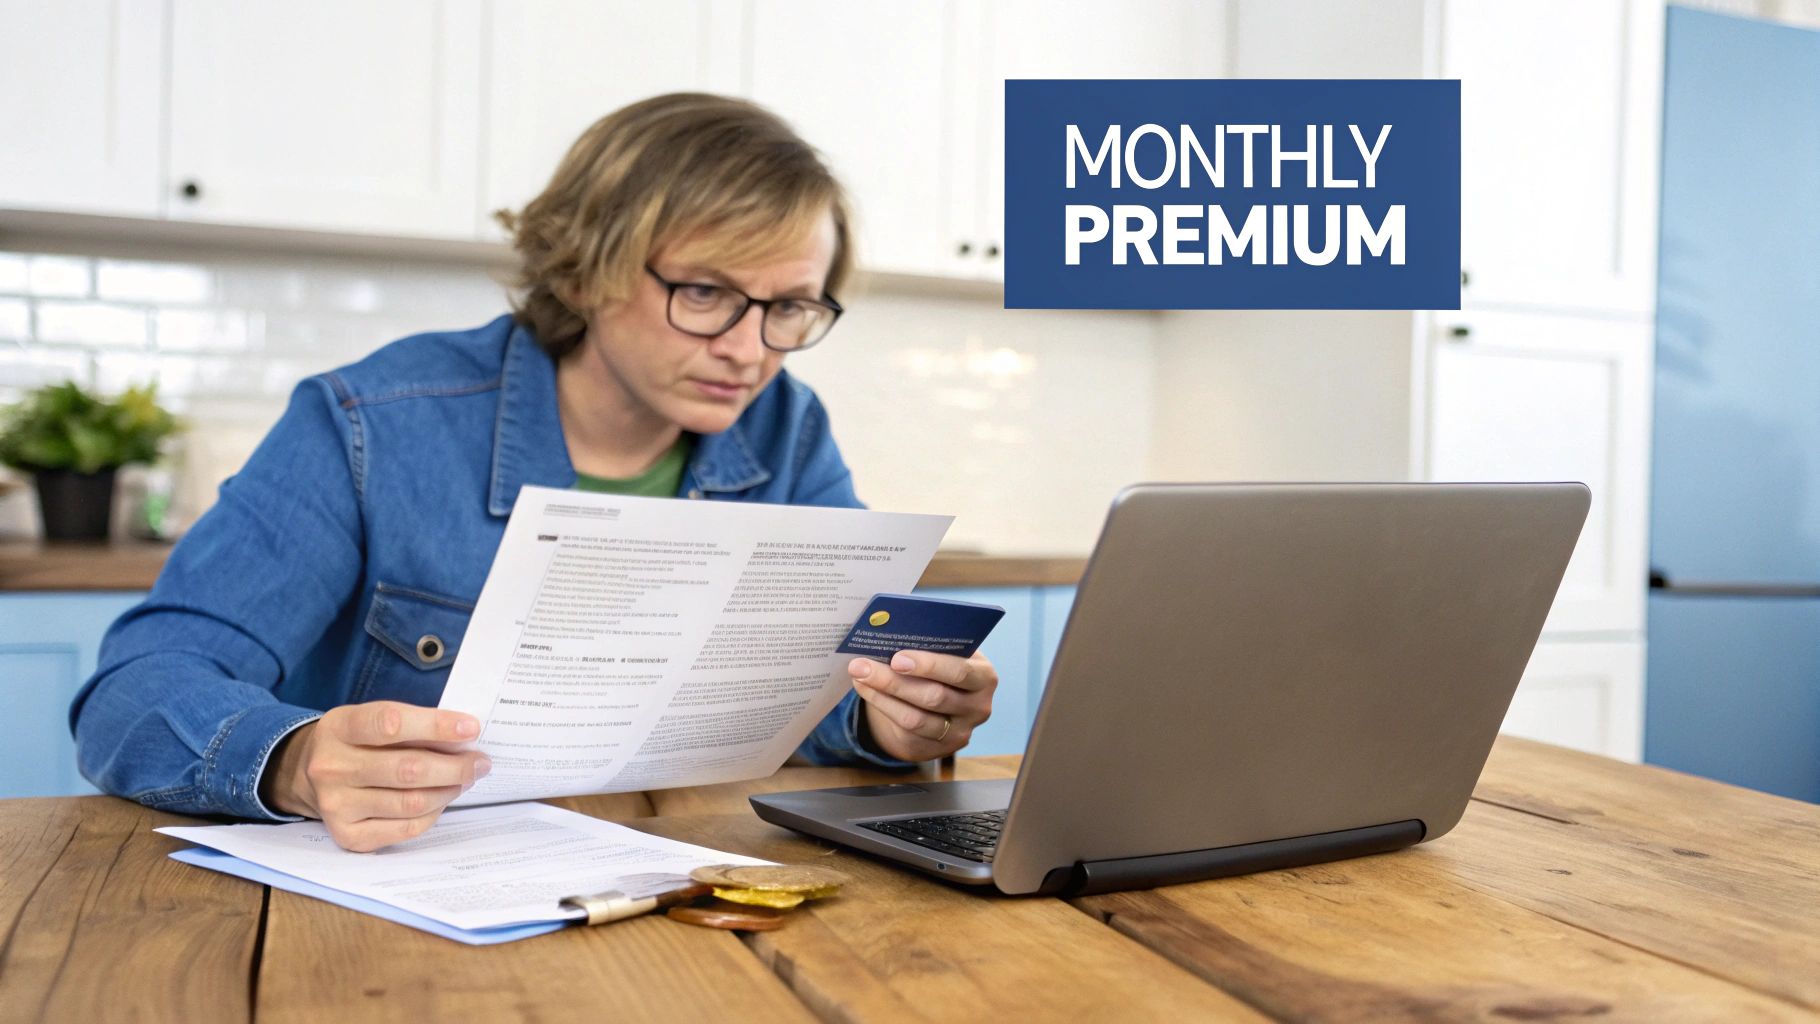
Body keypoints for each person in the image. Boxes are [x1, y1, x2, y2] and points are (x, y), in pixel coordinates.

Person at [69, 93, 999, 852]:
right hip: (400, 895)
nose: (751, 350)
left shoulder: (787, 430)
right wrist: (292, 760)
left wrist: (892, 718)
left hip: (674, 874)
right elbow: (133, 692)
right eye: (707, 292)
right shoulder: (371, 425)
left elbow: (828, 688)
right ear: (587, 268)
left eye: (790, 307)